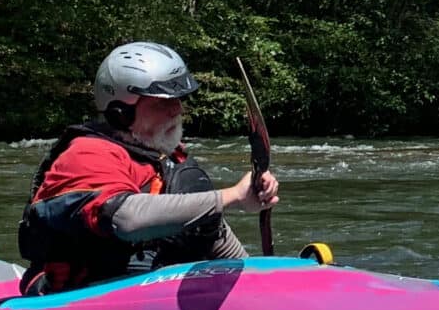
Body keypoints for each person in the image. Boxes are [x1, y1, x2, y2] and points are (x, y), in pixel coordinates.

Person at [17, 42, 279, 295]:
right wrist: (231, 196)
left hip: (146, 294)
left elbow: (209, 229)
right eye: (162, 102)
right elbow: (126, 219)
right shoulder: (86, 155)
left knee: (189, 185)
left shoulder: (166, 159)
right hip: (75, 297)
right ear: (121, 111)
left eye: (178, 99)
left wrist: (258, 280)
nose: (177, 110)